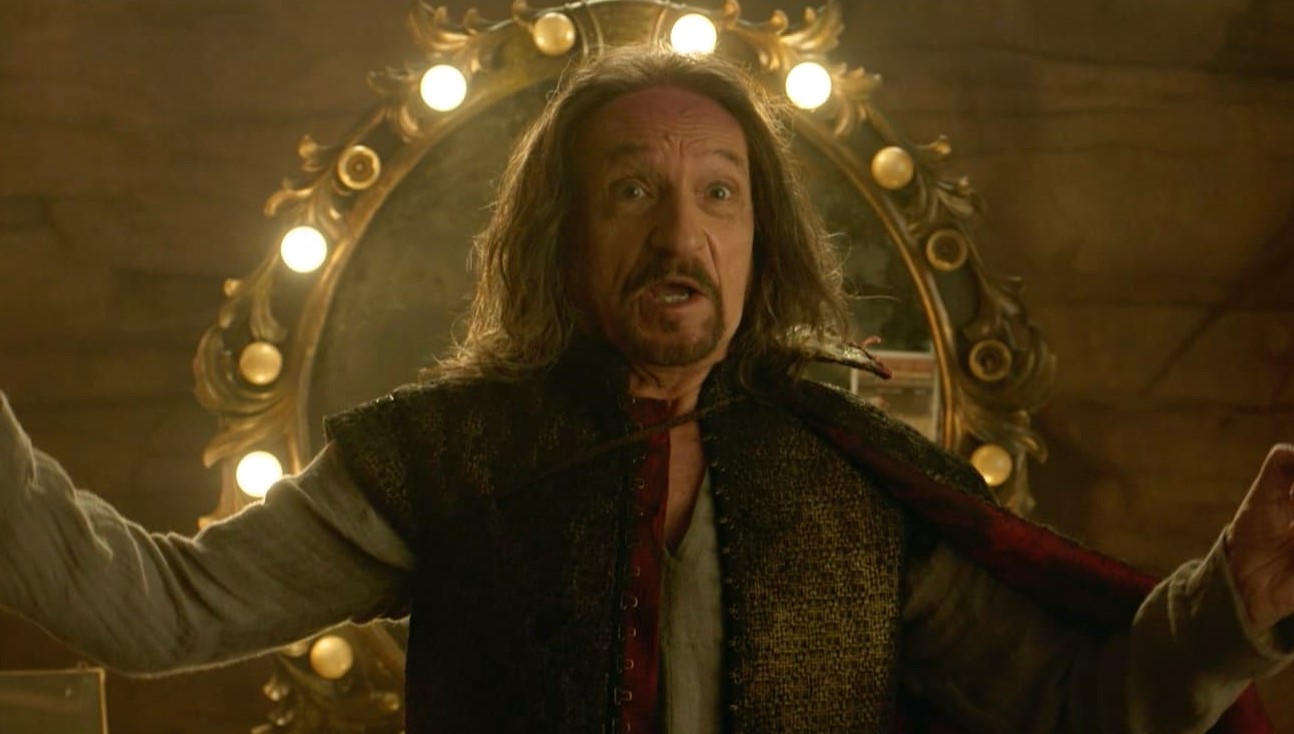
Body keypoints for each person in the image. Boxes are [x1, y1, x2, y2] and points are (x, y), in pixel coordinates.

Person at [1, 47, 1292, 734]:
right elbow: (153, 609)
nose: (679, 233)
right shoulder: (446, 458)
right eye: (632, 190)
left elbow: (1076, 711)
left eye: (716, 193)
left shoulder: (858, 487)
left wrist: (1226, 607)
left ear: (758, 240)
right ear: (561, 235)